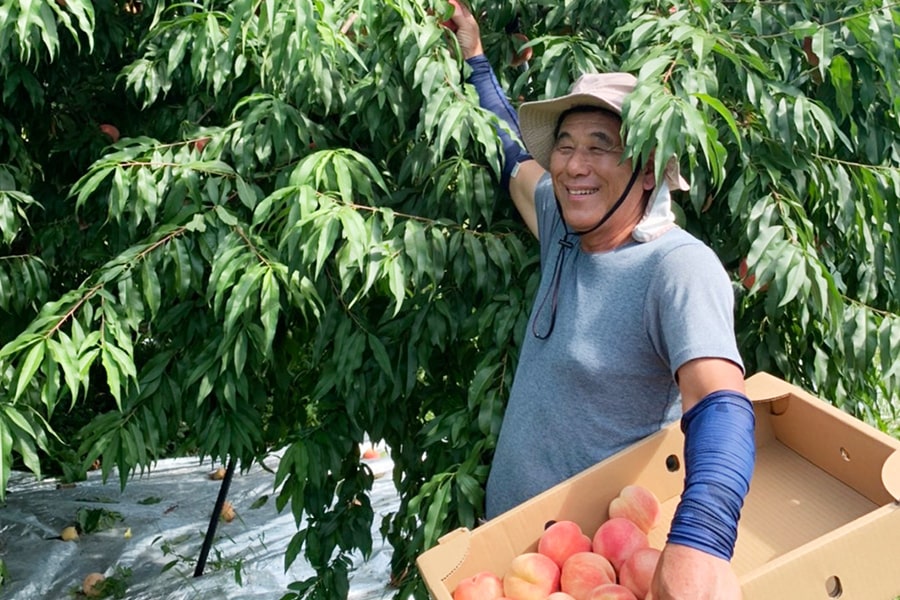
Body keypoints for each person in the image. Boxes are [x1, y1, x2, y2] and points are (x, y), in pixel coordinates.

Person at [448, 5, 756, 600]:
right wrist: (475, 58)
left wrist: (702, 541)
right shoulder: (565, 225)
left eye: (601, 146)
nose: (573, 166)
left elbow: (720, 403)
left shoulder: (677, 267)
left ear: (646, 171)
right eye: (565, 145)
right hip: (514, 556)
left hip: (593, 574)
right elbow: (514, 154)